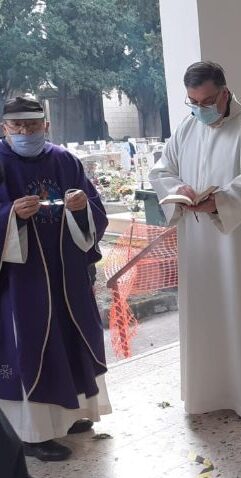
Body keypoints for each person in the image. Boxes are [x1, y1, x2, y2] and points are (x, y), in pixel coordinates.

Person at [149, 61, 241, 418]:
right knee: (206, 314)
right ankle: (208, 393)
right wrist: (178, 189)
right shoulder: (186, 128)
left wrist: (218, 202)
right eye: (193, 102)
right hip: (198, 243)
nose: (201, 109)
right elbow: (161, 170)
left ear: (225, 92)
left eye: (207, 100)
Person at [0, 96, 111, 461]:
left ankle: (71, 413)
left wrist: (82, 208)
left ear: (46, 126)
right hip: (22, 280)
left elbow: (95, 211)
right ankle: (32, 433)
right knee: (32, 346)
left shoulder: (64, 160)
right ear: (5, 128)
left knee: (72, 338)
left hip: (66, 274)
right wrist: (10, 216)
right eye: (16, 127)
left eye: (32, 126)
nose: (24, 132)